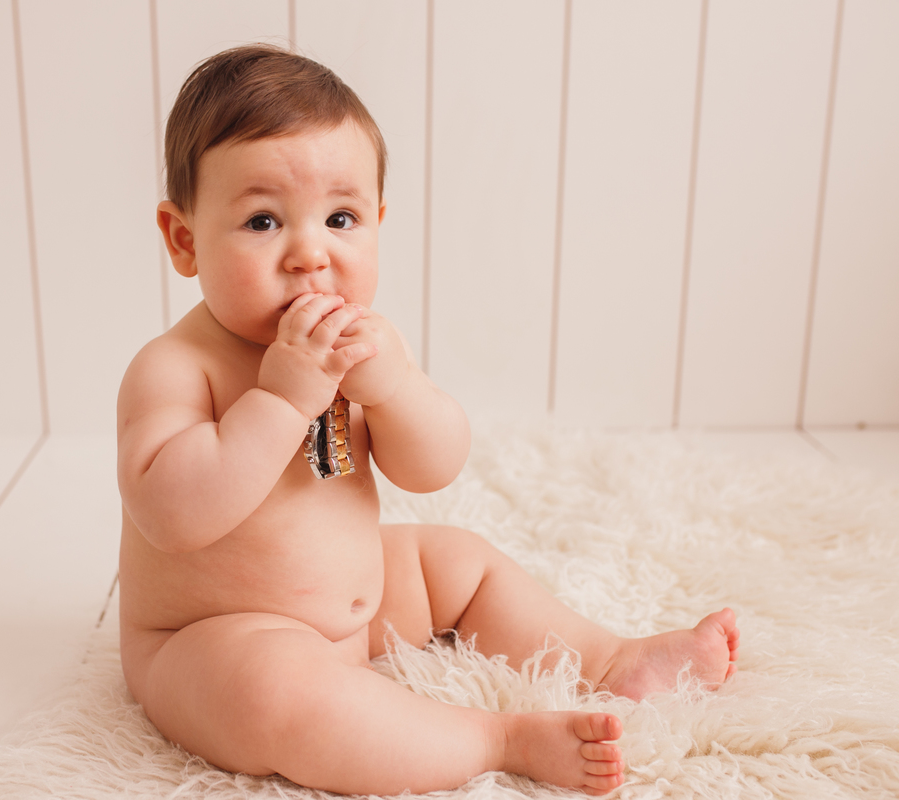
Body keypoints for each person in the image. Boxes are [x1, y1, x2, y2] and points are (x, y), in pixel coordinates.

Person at [116, 44, 739, 796]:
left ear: (377, 220)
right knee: (271, 692)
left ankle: (610, 659)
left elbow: (432, 464)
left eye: (340, 218)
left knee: (455, 560)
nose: (310, 254)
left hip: (362, 603)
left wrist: (396, 387)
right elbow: (173, 516)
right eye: (262, 221)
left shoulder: (365, 346)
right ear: (184, 239)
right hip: (213, 637)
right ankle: (494, 738)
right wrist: (281, 403)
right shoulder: (176, 367)